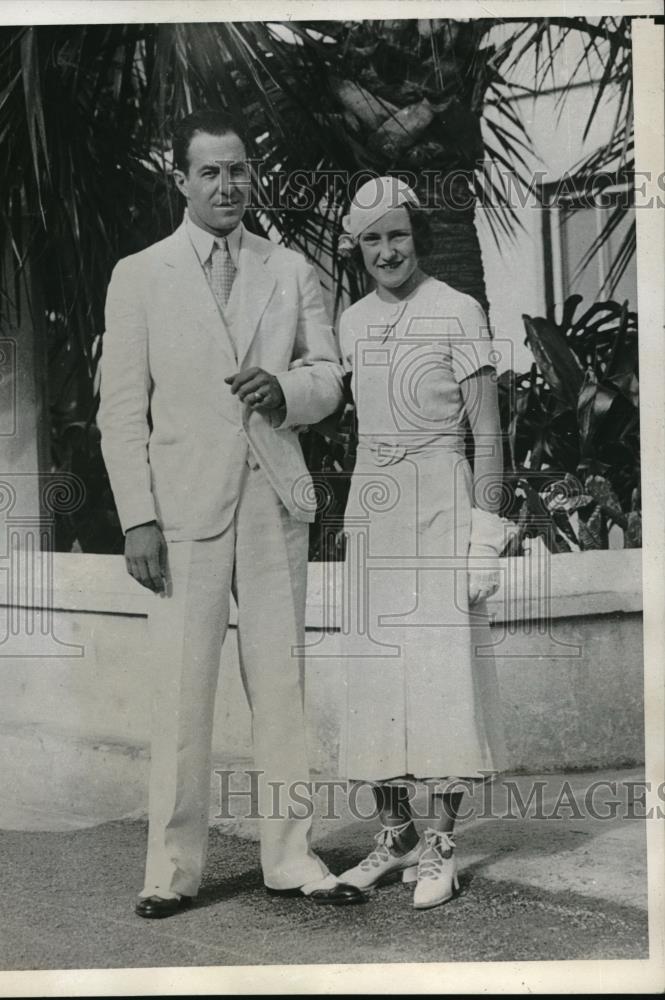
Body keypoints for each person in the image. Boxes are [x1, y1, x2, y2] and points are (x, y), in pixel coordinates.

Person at [98, 109, 365, 918]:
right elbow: (120, 411)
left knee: (281, 682)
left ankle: (289, 857)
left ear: (253, 176)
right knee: (183, 693)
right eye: (209, 172)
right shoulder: (139, 275)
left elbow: (329, 374)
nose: (226, 185)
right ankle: (172, 870)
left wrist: (285, 392)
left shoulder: (287, 269)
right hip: (181, 514)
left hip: (272, 503)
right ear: (179, 180)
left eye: (238, 170)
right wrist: (137, 519)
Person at [335, 176, 509, 909]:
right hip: (375, 500)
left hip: (441, 496)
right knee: (373, 675)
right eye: (372, 238)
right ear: (358, 249)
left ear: (418, 237)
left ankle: (440, 845)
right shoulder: (349, 322)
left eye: (396, 235)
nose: (386, 250)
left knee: (440, 677)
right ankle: (395, 833)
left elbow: (490, 433)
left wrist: (484, 541)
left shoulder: (457, 310)